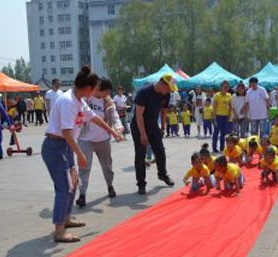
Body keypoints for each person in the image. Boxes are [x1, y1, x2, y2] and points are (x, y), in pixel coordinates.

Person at [41, 66, 122, 243]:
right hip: (56, 146)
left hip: (65, 146)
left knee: (74, 182)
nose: (96, 92)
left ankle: (66, 218)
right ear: (88, 89)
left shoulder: (79, 101)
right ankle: (59, 230)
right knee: (64, 187)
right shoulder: (68, 101)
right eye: (95, 88)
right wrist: (79, 154)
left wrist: (113, 132)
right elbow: (67, 132)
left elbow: (94, 118)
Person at [75, 78, 123, 208]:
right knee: (84, 167)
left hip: (103, 139)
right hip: (85, 139)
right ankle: (82, 195)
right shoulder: (86, 100)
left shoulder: (108, 101)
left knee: (107, 166)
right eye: (105, 91)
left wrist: (119, 127)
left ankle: (110, 186)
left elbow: (114, 116)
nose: (107, 94)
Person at [131, 74, 177, 195]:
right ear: (162, 84)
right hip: (138, 125)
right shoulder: (144, 92)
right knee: (141, 154)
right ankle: (141, 183)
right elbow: (138, 115)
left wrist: (163, 127)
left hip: (153, 125)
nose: (169, 92)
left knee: (160, 151)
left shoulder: (166, 94)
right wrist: (142, 134)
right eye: (168, 88)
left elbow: (164, 111)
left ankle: (162, 174)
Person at [212, 80, 232, 152]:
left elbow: (230, 107)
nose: (226, 88)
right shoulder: (217, 95)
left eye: (227, 87)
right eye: (224, 87)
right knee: (216, 132)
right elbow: (214, 107)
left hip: (225, 117)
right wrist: (214, 118)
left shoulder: (229, 95)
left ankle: (222, 147)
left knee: (224, 133)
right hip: (218, 116)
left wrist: (229, 116)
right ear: (221, 87)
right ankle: (214, 148)